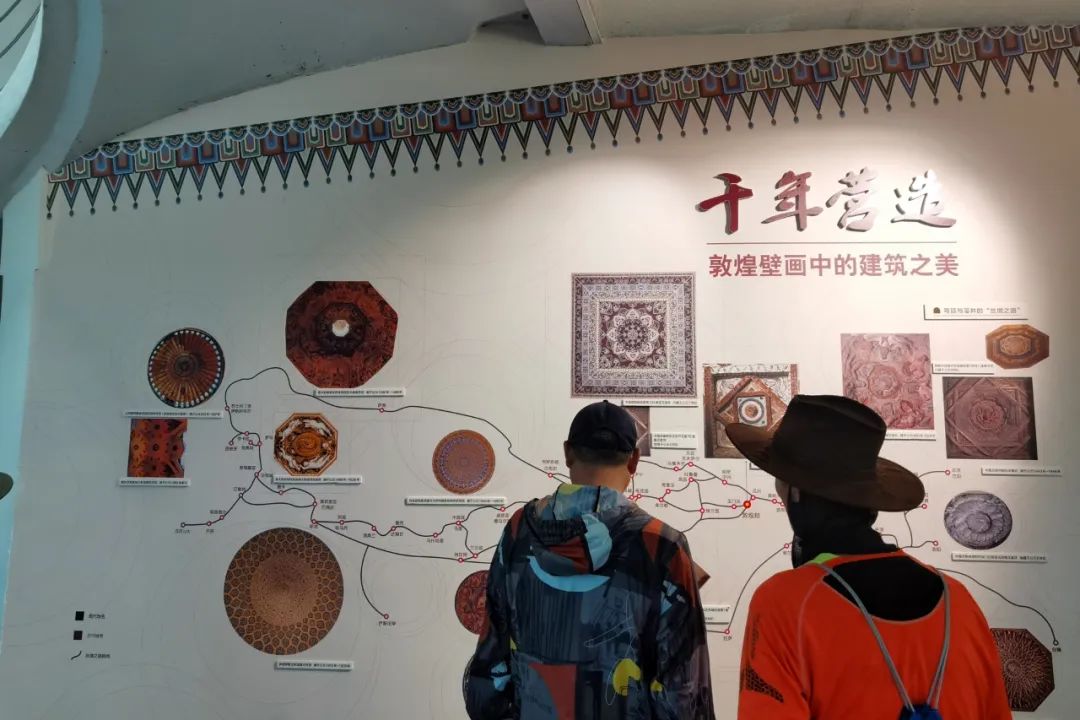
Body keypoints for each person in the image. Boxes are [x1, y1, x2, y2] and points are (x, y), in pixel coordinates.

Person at [727, 395, 1011, 720]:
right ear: (868, 498)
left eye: (780, 482)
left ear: (796, 492)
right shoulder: (958, 600)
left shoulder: (784, 603)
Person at [465, 400, 715, 720]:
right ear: (634, 460)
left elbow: (490, 670)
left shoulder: (518, 532)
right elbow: (684, 691)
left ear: (568, 453)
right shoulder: (662, 546)